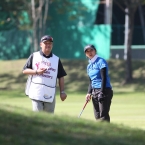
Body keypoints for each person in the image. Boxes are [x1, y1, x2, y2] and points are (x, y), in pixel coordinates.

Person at [23, 35, 67, 113]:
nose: (48, 45)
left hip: (50, 93)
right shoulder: (34, 56)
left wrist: (62, 92)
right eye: (45, 43)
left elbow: (61, 76)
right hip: (36, 92)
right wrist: (36, 71)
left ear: (52, 45)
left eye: (50, 43)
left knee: (49, 118)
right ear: (41, 44)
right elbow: (25, 70)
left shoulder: (56, 59)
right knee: (37, 117)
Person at [84, 44, 113, 122]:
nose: (90, 52)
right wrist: (88, 93)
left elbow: (104, 77)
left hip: (104, 90)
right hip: (94, 91)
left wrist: (102, 92)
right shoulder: (89, 66)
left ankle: (106, 133)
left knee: (103, 116)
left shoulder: (101, 61)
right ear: (86, 54)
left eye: (91, 50)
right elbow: (91, 81)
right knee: (97, 116)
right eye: (87, 51)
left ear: (95, 51)